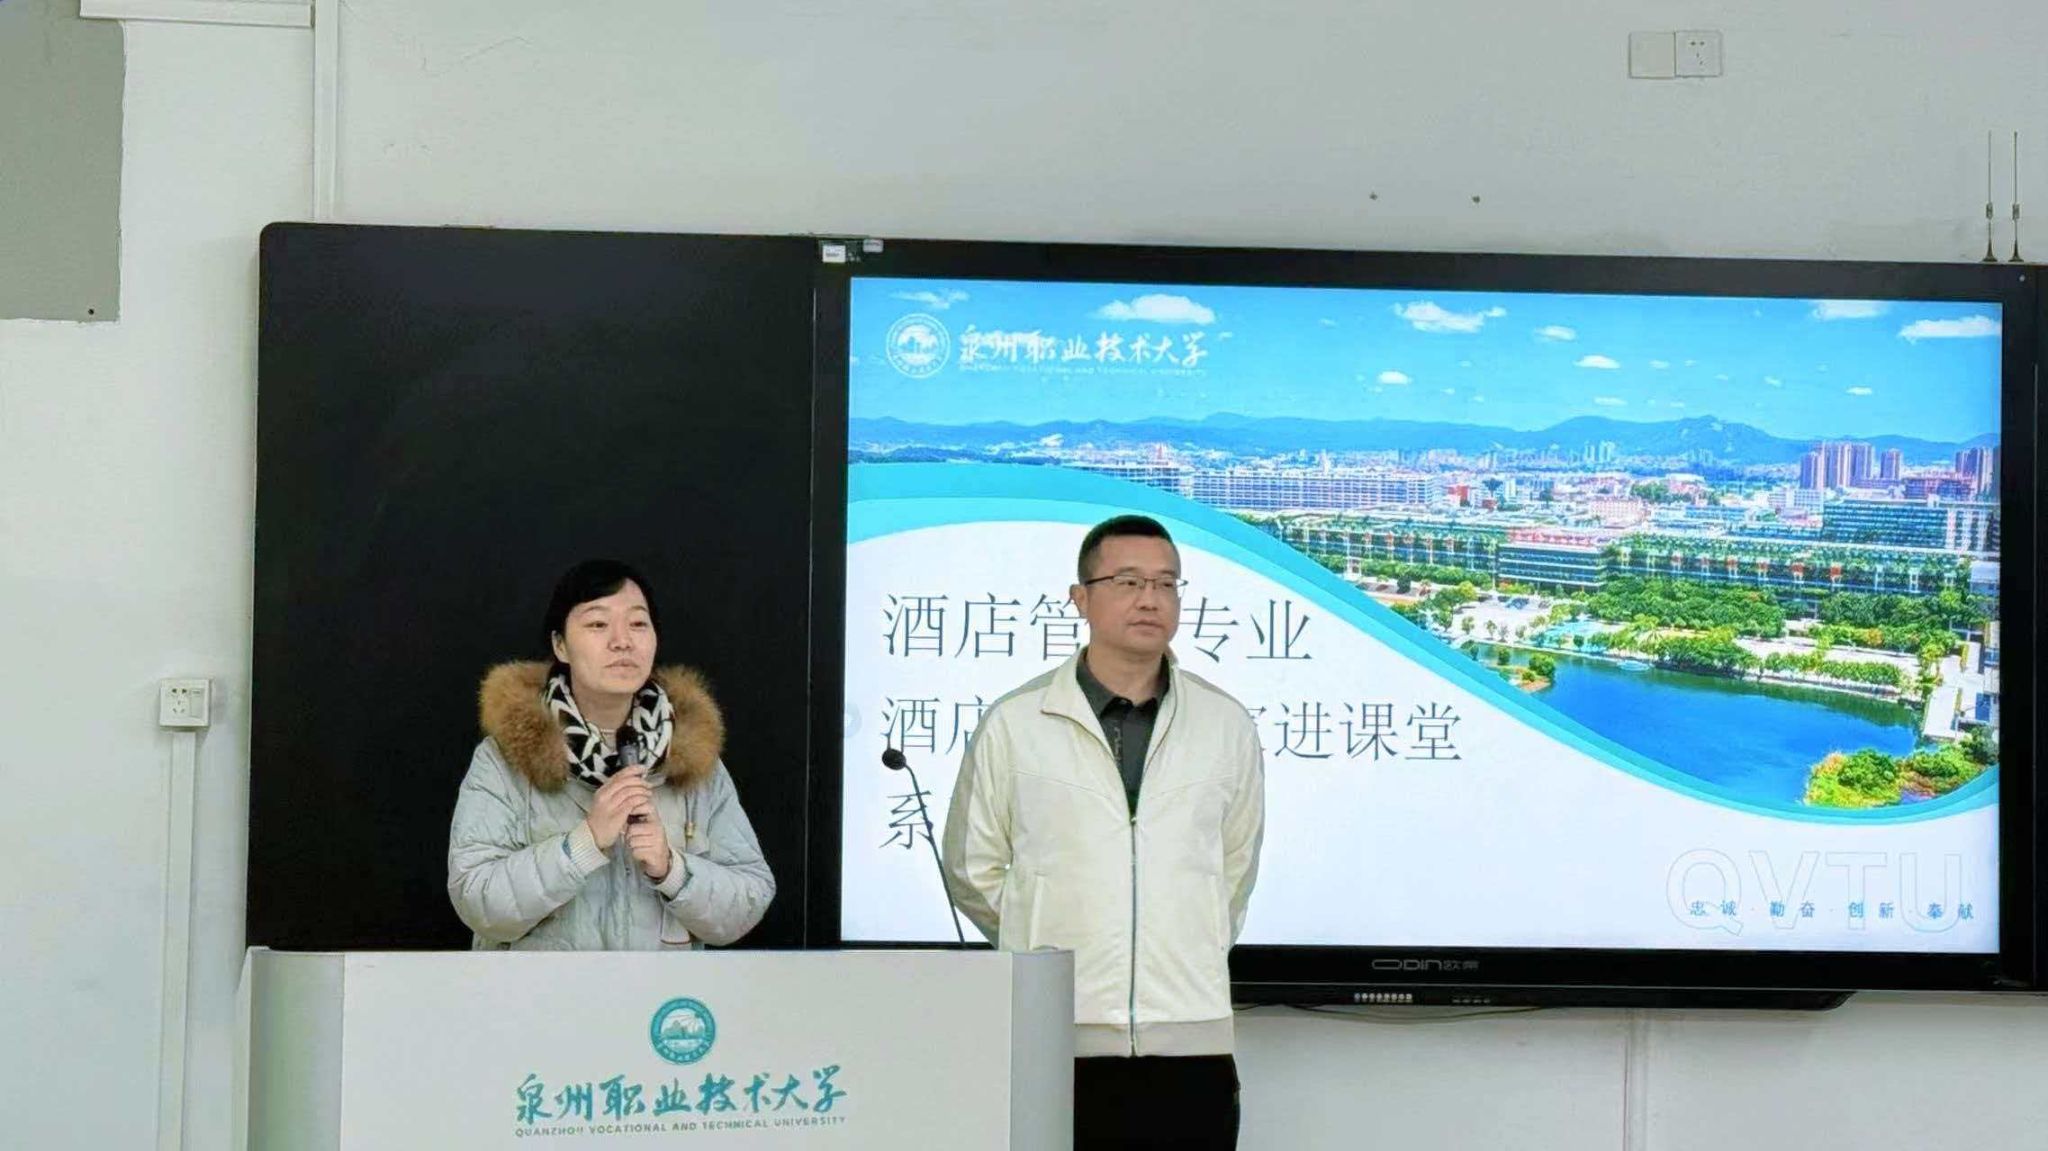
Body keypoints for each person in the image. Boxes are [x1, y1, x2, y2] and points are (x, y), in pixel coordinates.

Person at [941, 515, 1266, 1149]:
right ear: (1080, 598)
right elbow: (972, 868)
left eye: (1166, 583)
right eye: (1128, 581)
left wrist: (1184, 938)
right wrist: (1043, 939)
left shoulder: (1224, 723)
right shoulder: (1018, 722)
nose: (1150, 599)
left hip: (1191, 1037)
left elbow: (1233, 869)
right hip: (1058, 1035)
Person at [448, 559, 774, 949]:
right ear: (560, 645)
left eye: (637, 623)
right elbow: (475, 898)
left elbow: (750, 896)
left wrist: (671, 869)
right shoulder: (504, 759)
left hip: (658, 990)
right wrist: (583, 844)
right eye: (598, 624)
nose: (622, 641)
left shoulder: (691, 758)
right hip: (543, 991)